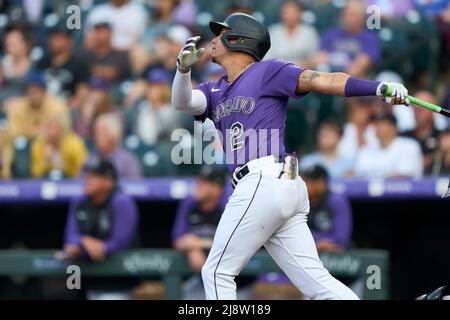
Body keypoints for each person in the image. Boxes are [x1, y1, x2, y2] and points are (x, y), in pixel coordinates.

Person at [172, 12, 409, 300]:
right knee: (316, 283)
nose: (213, 38)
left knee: (216, 271)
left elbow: (324, 79)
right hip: (276, 186)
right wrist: (182, 70)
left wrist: (378, 88)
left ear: (238, 39)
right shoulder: (215, 89)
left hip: (263, 179)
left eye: (220, 33)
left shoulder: (268, 71)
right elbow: (183, 101)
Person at [60, 159, 140, 299]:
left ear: (109, 182)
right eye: (87, 175)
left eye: (94, 176)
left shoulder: (122, 201)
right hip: (86, 284)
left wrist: (90, 249)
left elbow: (120, 242)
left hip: (117, 285)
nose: (87, 180)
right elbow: (70, 236)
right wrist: (84, 241)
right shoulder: (79, 201)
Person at [172, 166, 227, 299]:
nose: (199, 185)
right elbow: (178, 241)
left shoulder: (228, 205)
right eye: (199, 180)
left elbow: (233, 244)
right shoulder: (190, 203)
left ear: (217, 188)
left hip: (235, 281)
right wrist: (193, 249)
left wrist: (198, 244)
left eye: (205, 182)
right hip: (202, 281)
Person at [316, 0, 381, 78]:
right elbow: (320, 60)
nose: (348, 18)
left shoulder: (370, 39)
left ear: (362, 18)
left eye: (352, 15)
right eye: (346, 14)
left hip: (354, 81)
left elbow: (361, 66)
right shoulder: (331, 34)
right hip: (327, 78)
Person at [354, 112, 423, 178]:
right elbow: (357, 175)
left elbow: (403, 177)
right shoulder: (366, 150)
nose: (377, 127)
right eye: (376, 124)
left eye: (382, 123)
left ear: (393, 128)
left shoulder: (409, 146)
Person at [302, 165, 352, 252]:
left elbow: (342, 238)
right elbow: (296, 233)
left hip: (336, 255)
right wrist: (317, 243)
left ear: (323, 183)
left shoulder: (336, 201)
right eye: (305, 181)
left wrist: (319, 243)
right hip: (307, 249)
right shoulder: (300, 202)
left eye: (311, 181)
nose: (306, 185)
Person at [36, 24, 89, 106]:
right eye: (52, 37)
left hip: (68, 108)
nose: (53, 41)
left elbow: (82, 94)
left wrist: (65, 110)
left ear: (70, 41)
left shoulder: (79, 65)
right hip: (43, 108)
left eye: (58, 38)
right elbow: (33, 88)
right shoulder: (42, 63)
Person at [7, 71, 69, 139]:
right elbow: (14, 133)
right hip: (26, 145)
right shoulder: (17, 109)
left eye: (36, 92)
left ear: (44, 91)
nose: (33, 96)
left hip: (50, 144)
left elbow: (63, 133)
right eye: (30, 92)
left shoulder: (57, 107)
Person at [30, 115, 88, 179]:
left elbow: (82, 168)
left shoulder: (74, 143)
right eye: (48, 128)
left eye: (55, 128)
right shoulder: (38, 145)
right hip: (47, 182)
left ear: (62, 129)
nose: (52, 132)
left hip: (70, 180)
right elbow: (36, 173)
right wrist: (46, 161)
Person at [87, 113, 142, 179]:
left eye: (101, 133)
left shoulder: (128, 161)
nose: (96, 137)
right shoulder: (90, 158)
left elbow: (135, 186)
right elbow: (80, 184)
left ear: (113, 136)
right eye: (96, 133)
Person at [265, 1, 319, 67]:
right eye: (286, 13)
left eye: (292, 12)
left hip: (303, 71)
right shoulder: (274, 31)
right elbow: (267, 59)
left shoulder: (308, 32)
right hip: (277, 71)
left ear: (300, 13)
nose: (289, 16)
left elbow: (314, 59)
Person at [402, 91, 443, 173]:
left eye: (421, 109)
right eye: (415, 109)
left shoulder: (443, 136)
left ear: (433, 111)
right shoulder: (403, 137)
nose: (417, 113)